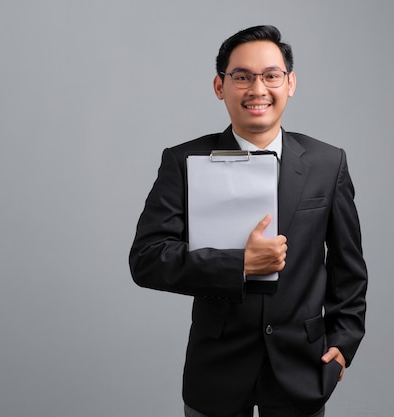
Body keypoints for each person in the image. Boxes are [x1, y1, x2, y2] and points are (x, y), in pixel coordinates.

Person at [129, 25, 367, 417]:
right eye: (242, 77)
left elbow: (348, 265)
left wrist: (345, 341)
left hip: (303, 366)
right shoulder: (184, 161)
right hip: (217, 370)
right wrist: (240, 264)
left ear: (290, 83)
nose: (258, 89)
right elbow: (147, 259)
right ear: (220, 86)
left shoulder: (328, 163)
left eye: (271, 75)